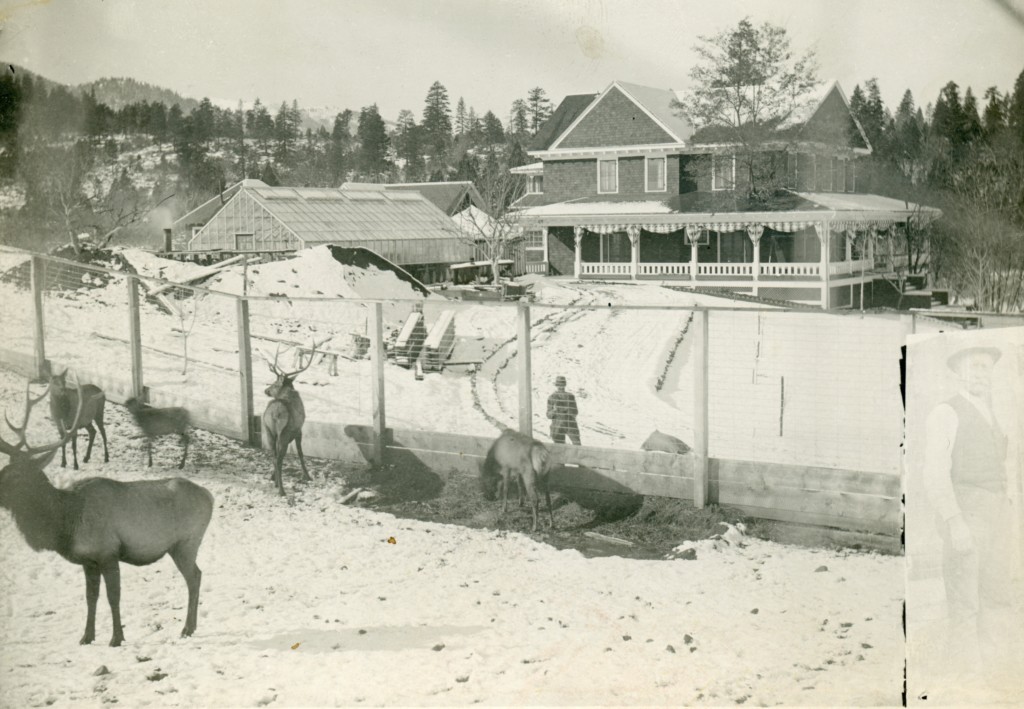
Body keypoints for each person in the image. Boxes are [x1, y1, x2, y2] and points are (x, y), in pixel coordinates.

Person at [922, 344, 1017, 687]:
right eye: (974, 366)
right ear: (958, 371)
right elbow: (934, 472)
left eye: (985, 367)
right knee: (965, 599)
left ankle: (995, 674)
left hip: (997, 515)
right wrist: (954, 521)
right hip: (967, 513)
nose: (980, 373)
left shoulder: (992, 413)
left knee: (996, 595)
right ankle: (966, 682)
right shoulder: (946, 412)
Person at [546, 375, 581, 445]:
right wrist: (554, 411)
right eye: (559, 385)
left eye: (562, 385)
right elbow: (548, 415)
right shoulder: (552, 397)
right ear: (556, 385)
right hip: (557, 426)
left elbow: (575, 412)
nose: (560, 387)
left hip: (570, 424)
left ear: (565, 385)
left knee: (577, 446)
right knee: (560, 449)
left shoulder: (570, 396)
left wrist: (568, 410)